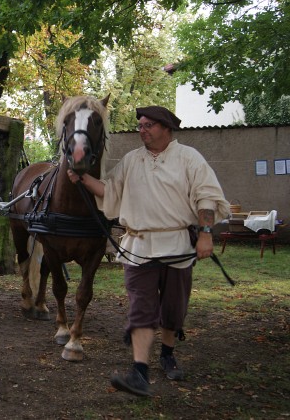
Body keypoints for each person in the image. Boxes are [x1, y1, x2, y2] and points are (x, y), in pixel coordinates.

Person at [67, 106, 230, 397]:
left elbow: (207, 197)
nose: (142, 130)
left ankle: (167, 353)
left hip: (177, 244)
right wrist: (82, 179)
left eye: (148, 125)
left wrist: (205, 234)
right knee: (141, 308)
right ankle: (140, 372)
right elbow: (111, 191)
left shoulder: (189, 158)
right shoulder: (132, 160)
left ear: (166, 127)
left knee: (173, 308)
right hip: (139, 246)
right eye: (140, 125)